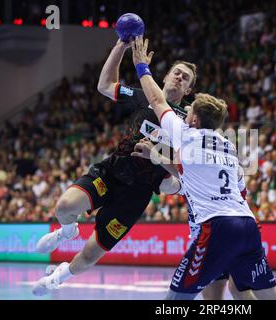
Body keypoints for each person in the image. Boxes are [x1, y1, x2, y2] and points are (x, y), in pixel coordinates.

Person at [32, 38, 195, 295]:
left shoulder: (188, 122)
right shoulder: (144, 97)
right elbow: (105, 86)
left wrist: (169, 176)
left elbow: (189, 168)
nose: (179, 78)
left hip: (137, 194)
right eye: (176, 72)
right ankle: (67, 231)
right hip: (111, 173)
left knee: (90, 254)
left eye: (185, 78)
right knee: (64, 206)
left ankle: (58, 277)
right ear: (163, 77)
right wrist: (121, 45)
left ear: (188, 91)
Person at [131, 36, 276, 300]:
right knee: (269, 296)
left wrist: (141, 66)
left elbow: (157, 101)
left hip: (216, 226)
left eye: (189, 112)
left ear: (195, 119)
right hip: (247, 224)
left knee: (175, 301)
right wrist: (156, 155)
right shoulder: (228, 146)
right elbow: (232, 185)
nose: (185, 114)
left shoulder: (186, 134)